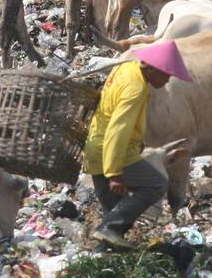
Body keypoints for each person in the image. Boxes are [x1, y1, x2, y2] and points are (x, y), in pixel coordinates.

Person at [82, 40, 193, 248]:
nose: (168, 79)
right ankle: (109, 230)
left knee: (113, 215)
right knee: (156, 184)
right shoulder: (136, 88)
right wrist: (114, 173)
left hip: (96, 150)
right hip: (112, 152)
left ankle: (102, 251)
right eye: (166, 73)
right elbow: (118, 129)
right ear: (152, 68)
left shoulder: (127, 69)